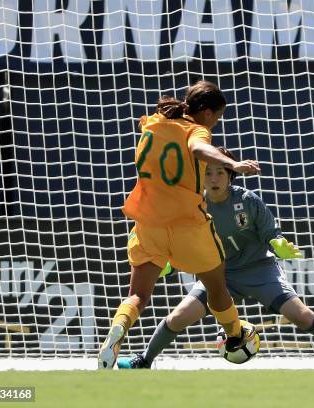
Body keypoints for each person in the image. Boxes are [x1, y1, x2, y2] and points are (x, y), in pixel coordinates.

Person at [117, 147, 314, 369]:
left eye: (220, 172)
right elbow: (183, 246)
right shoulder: (193, 207)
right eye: (208, 172)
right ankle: (144, 360)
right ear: (199, 176)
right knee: (177, 318)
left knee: (302, 316)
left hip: (259, 270)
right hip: (217, 275)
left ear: (230, 175)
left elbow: (271, 233)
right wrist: (169, 266)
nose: (214, 178)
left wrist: (279, 245)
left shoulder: (248, 200)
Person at [98, 82, 261, 369]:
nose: (216, 123)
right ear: (208, 113)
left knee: (137, 295)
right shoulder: (198, 130)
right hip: (188, 224)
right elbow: (198, 148)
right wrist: (232, 165)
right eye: (218, 117)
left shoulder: (154, 121)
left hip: (148, 223)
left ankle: (118, 331)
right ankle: (236, 334)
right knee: (216, 287)